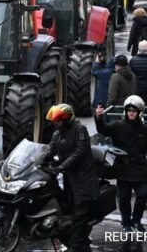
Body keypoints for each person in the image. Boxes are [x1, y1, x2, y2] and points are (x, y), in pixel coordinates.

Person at [44, 104, 99, 252]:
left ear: (67, 119)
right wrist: (34, 160)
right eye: (55, 121)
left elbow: (80, 151)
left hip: (83, 178)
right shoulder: (57, 134)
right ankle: (81, 243)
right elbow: (49, 151)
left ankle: (74, 247)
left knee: (79, 213)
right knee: (67, 210)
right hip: (69, 177)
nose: (56, 124)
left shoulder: (80, 130)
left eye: (59, 121)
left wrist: (62, 166)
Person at [95, 95, 147, 232]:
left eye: (134, 111)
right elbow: (103, 129)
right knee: (124, 198)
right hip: (122, 168)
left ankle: (136, 221)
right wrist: (98, 118)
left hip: (140, 168)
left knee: (143, 195)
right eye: (129, 110)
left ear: (139, 112)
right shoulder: (118, 125)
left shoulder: (144, 129)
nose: (131, 113)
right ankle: (126, 222)